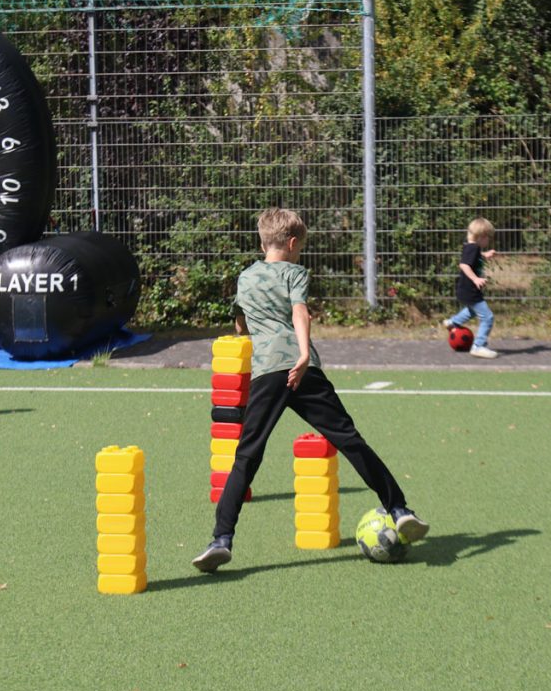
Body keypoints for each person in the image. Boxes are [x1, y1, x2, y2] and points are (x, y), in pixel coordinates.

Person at [193, 207, 430, 572]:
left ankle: (220, 540)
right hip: (303, 371)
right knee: (349, 439)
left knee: (246, 457)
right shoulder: (295, 272)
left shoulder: (246, 277)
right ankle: (398, 509)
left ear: (262, 242)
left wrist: (254, 328)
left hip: (267, 372)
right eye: (299, 247)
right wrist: (303, 354)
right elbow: (299, 312)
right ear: (291, 244)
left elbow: (240, 323)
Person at [444, 217, 498, 359]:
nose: (488, 241)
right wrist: (475, 279)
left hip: (465, 289)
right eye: (488, 238)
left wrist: (484, 255)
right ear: (481, 237)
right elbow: (464, 265)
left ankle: (453, 322)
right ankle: (478, 346)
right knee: (488, 317)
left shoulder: (471, 247)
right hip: (470, 290)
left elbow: (472, 259)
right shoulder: (474, 248)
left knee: (472, 311)